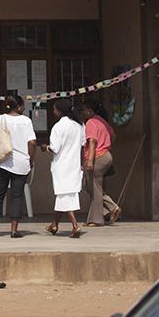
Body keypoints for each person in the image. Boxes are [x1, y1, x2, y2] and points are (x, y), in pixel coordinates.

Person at [0, 93, 36, 239]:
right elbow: (32, 143)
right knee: (17, 196)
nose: (23, 108)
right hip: (21, 164)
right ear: (19, 107)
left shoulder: (0, 119)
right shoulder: (26, 121)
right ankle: (14, 230)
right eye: (22, 105)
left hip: (2, 163)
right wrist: (31, 159)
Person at [45, 98, 86, 238]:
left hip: (62, 165)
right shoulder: (80, 125)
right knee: (67, 195)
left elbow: (55, 148)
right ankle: (54, 224)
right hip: (74, 165)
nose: (53, 111)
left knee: (64, 194)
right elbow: (82, 146)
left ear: (60, 111)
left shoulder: (58, 127)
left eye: (55, 109)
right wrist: (81, 163)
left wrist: (46, 148)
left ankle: (75, 226)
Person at [76, 101, 121, 226]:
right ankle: (111, 207)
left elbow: (92, 142)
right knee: (89, 185)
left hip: (97, 157)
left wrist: (90, 160)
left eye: (83, 110)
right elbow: (113, 136)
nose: (82, 113)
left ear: (90, 110)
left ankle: (96, 219)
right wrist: (106, 145)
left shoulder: (90, 122)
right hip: (106, 155)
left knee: (94, 188)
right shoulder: (102, 121)